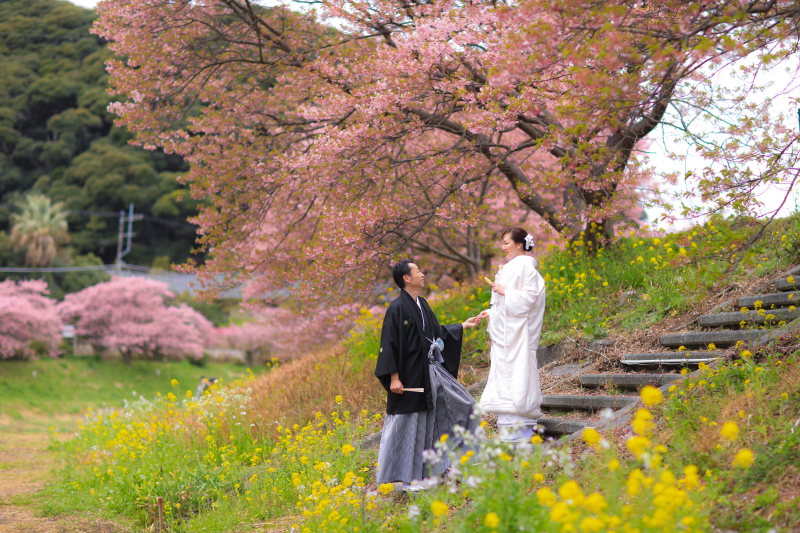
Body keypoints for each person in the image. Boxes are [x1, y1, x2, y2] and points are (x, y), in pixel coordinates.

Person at [374, 260, 483, 489]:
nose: (423, 274)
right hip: (409, 376)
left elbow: (436, 333)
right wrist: (394, 377)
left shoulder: (422, 304)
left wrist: (463, 326)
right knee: (410, 424)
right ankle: (405, 477)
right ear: (406, 278)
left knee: (462, 406)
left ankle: (444, 466)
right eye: (418, 271)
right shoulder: (397, 308)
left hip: (430, 372)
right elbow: (389, 343)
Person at [478, 227, 546, 442]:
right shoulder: (508, 268)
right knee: (504, 374)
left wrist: (506, 292)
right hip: (505, 333)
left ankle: (521, 427)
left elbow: (530, 298)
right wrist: (491, 312)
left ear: (519, 244)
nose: (502, 247)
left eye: (506, 243)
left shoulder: (526, 268)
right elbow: (502, 303)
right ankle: (507, 427)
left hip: (519, 335)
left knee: (518, 372)